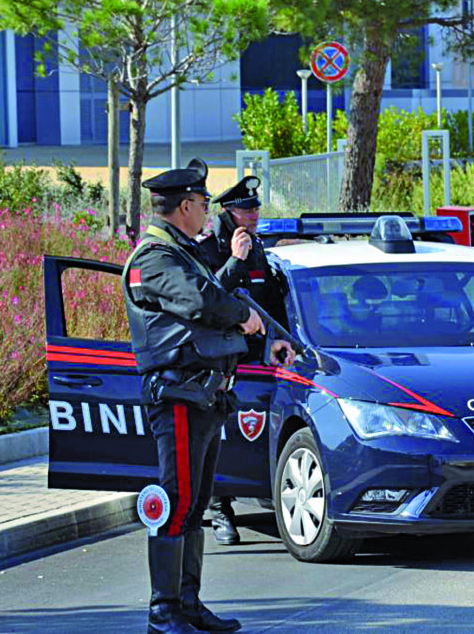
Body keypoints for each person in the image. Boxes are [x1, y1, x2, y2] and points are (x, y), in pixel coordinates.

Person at [123, 165, 294, 633]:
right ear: (184, 207)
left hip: (204, 394)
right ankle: (164, 610)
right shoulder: (155, 258)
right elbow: (203, 304)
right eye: (201, 204)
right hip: (177, 393)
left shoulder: (184, 253)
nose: (206, 211)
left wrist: (267, 337)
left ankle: (189, 603)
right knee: (177, 500)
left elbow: (216, 298)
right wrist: (245, 318)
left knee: (195, 504)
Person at [195, 167, 289, 545]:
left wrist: (284, 340)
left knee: (245, 433)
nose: (255, 213)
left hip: (255, 361)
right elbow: (209, 298)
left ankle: (249, 491)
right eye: (248, 209)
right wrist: (234, 260)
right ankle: (220, 509)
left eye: (256, 207)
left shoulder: (258, 246)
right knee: (219, 432)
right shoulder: (208, 248)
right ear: (230, 211)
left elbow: (268, 301)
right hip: (219, 359)